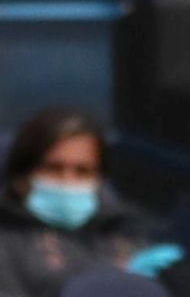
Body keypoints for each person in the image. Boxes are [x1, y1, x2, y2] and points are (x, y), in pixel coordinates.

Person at [0, 108, 179, 297]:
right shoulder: (6, 243)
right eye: (53, 168)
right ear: (21, 177)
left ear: (100, 180)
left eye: (82, 171)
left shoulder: (124, 234)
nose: (67, 180)